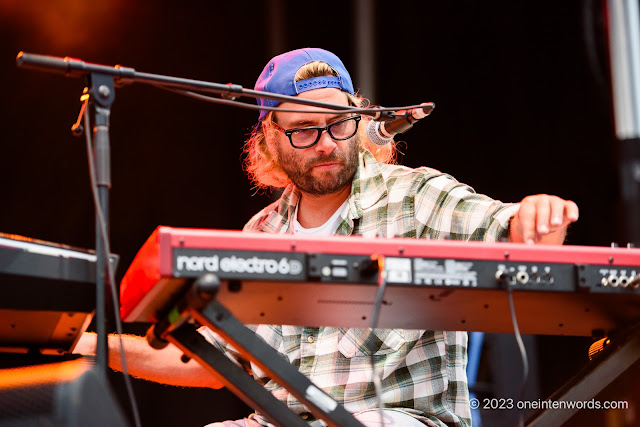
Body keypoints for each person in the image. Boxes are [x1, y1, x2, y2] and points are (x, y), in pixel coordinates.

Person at [76, 48, 579, 427]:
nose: (326, 144)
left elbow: (517, 237)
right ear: (271, 139)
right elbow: (214, 360)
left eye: (339, 125)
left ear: (359, 121)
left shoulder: (416, 195)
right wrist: (86, 344)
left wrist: (541, 218)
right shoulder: (263, 232)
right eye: (304, 130)